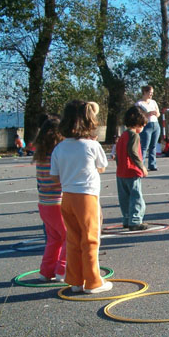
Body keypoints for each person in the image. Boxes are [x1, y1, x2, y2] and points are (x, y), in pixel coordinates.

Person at [50, 100, 111, 294]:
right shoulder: (92, 145)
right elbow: (102, 167)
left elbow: (54, 176)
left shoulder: (59, 148)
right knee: (91, 239)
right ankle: (93, 281)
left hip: (67, 197)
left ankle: (75, 280)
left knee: (73, 239)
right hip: (87, 197)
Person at [33, 115, 66, 281]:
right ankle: (62, 269)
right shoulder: (57, 155)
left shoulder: (40, 155)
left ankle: (46, 271)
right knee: (69, 236)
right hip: (57, 202)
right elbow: (59, 179)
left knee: (54, 239)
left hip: (44, 203)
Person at [116, 105, 149, 231]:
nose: (143, 127)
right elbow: (133, 152)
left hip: (121, 172)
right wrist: (142, 167)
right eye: (143, 125)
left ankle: (127, 219)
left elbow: (118, 155)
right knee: (136, 197)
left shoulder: (123, 135)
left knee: (124, 198)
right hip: (132, 171)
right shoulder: (134, 136)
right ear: (138, 123)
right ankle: (135, 221)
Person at [136, 85, 161, 171]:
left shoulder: (153, 102)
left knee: (153, 146)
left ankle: (152, 164)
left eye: (152, 93)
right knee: (144, 146)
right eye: (150, 93)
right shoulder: (139, 103)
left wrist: (156, 113)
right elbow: (138, 116)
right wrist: (147, 114)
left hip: (155, 124)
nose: (151, 95)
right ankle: (141, 166)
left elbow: (158, 113)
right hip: (146, 126)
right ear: (145, 92)